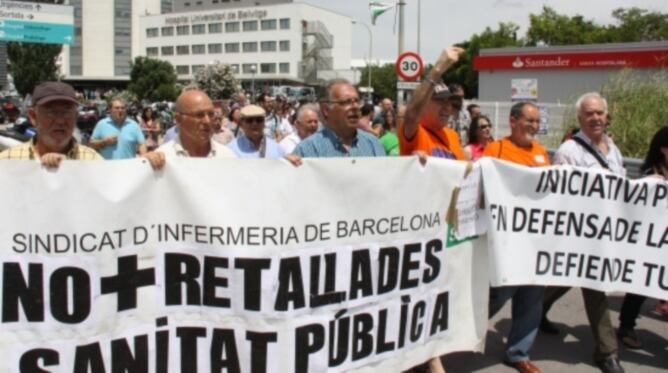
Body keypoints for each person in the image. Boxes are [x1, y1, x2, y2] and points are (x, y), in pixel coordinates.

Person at [542, 92, 625, 373]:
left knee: (567, 278)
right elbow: (559, 194)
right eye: (589, 114)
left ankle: (537, 308)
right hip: (579, 234)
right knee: (595, 286)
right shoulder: (570, 151)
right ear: (580, 119)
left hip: (606, 231)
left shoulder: (613, 149)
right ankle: (607, 352)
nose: (595, 118)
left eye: (599, 112)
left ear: (606, 115)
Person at [483, 101, 550, 373]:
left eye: (537, 122)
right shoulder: (496, 149)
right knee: (496, 297)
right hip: (505, 242)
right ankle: (452, 335)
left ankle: (518, 352)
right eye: (529, 121)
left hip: (535, 243)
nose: (534, 126)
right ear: (512, 121)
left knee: (532, 300)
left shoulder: (542, 152)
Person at [616, 125, 668, 350]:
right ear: (664, 149)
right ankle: (626, 326)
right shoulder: (651, 174)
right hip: (653, 242)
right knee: (640, 287)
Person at [0, 81, 101, 167]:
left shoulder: (94, 163)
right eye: (51, 112)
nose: (60, 121)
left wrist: (70, 169)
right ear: (33, 117)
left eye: (67, 112)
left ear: (75, 117)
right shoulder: (6, 162)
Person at [399, 47, 465, 161]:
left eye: (449, 102)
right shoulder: (415, 132)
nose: (448, 107)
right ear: (424, 104)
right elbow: (411, 115)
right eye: (441, 101)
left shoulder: (452, 136)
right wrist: (438, 69)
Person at [143, 90, 236, 169]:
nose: (207, 121)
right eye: (199, 115)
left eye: (211, 114)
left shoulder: (227, 157)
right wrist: (144, 165)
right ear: (179, 119)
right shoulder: (162, 159)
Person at [293, 79, 385, 158]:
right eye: (346, 102)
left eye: (357, 101)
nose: (355, 107)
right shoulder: (307, 150)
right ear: (326, 109)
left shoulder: (373, 144)